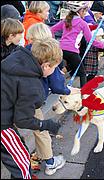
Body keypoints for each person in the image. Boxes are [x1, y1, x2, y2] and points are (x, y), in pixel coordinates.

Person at [1, 35, 63, 178]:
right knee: (22, 164)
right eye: (54, 67)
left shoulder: (16, 57)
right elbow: (23, 120)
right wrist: (46, 124)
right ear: (46, 65)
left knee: (19, 153)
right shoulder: (31, 86)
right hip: (2, 125)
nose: (55, 71)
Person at [26, 22, 80, 176]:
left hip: (14, 98)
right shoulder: (47, 55)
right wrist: (68, 90)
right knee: (41, 130)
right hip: (31, 102)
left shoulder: (22, 52)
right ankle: (50, 163)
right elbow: (57, 85)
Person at [50, 1, 104, 87]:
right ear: (80, 11)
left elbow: (51, 30)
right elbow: (91, 41)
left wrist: (53, 41)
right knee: (83, 73)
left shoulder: (66, 20)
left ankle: (60, 74)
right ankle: (84, 93)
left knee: (73, 65)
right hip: (72, 50)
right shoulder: (82, 23)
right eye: (85, 11)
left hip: (61, 49)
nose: (86, 13)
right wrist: (103, 45)